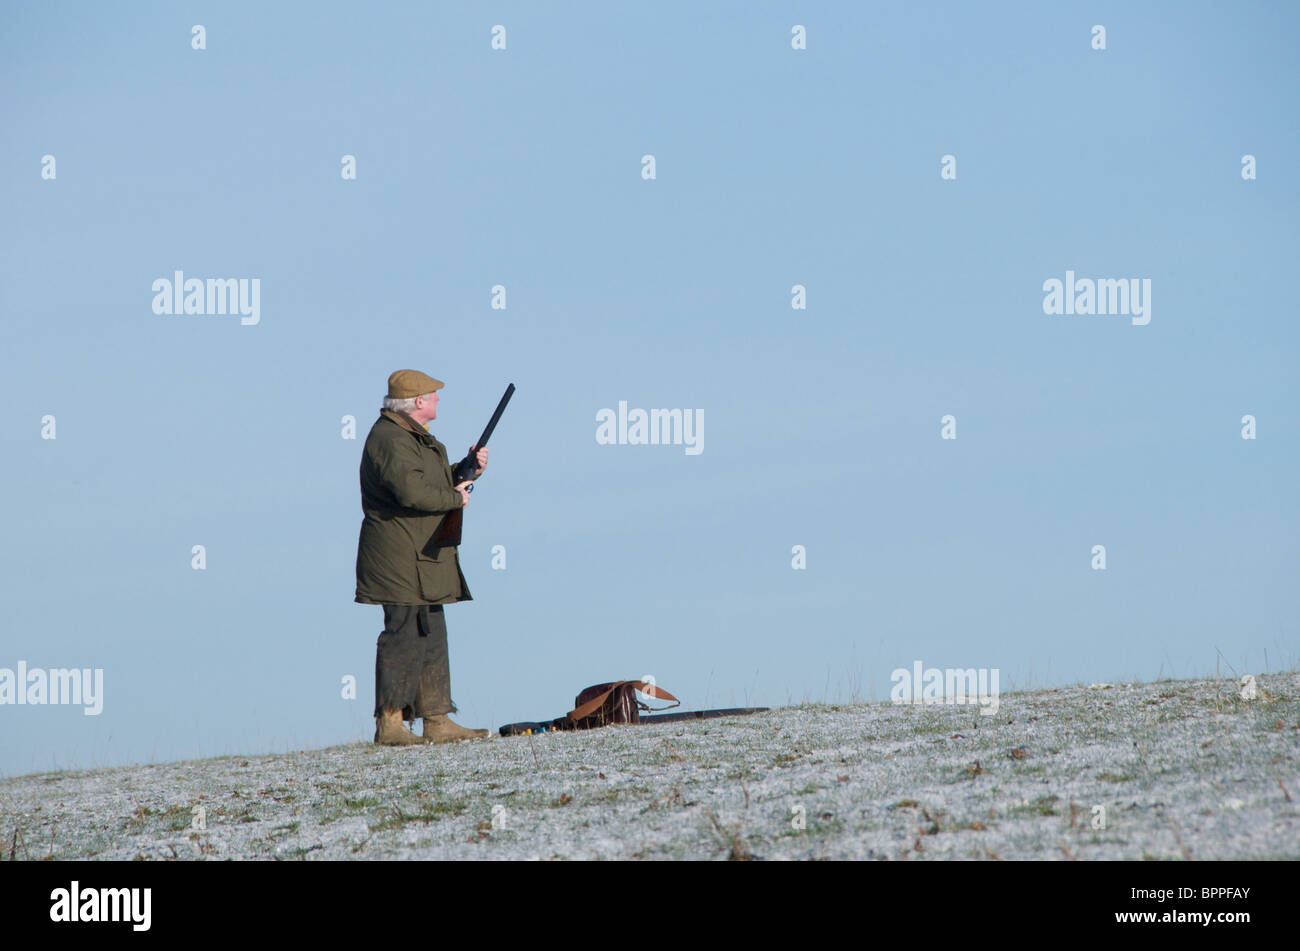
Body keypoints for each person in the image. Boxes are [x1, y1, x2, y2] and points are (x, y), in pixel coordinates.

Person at [354, 369, 491, 745]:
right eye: (433, 394)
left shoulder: (411, 437)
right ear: (417, 401)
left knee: (432, 633)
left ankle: (437, 719)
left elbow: (429, 482)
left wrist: (466, 470)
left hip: (422, 555)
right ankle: (391, 724)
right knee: (402, 636)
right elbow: (412, 492)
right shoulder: (390, 438)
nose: (438, 399)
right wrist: (456, 498)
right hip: (398, 556)